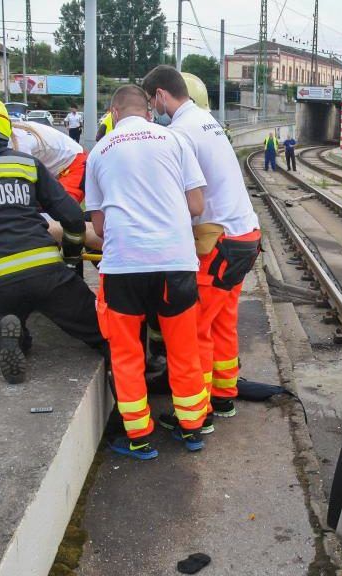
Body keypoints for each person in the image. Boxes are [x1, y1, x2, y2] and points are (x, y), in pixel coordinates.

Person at [0, 93, 103, 384]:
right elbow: (72, 216)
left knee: (3, 334)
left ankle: (3, 329)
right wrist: (71, 255)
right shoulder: (26, 163)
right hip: (48, 274)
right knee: (102, 332)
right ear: (3, 126)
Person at [86, 84, 210, 460]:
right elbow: (196, 204)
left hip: (124, 265)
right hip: (175, 262)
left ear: (113, 111)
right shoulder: (175, 141)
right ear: (148, 110)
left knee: (127, 352)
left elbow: (100, 226)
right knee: (184, 348)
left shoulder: (98, 152)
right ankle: (191, 428)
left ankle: (138, 436)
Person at [143, 65, 262, 427]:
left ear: (161, 95)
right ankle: (224, 399)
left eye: (152, 101)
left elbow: (181, 198)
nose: (152, 109)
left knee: (194, 331)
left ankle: (197, 414)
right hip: (246, 237)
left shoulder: (179, 133)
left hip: (219, 243)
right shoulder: (206, 122)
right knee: (222, 323)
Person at [7, 121, 102, 252]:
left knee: (59, 221)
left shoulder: (19, 142)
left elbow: (21, 188)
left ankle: (117, 247)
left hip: (74, 165)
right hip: (58, 170)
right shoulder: (11, 137)